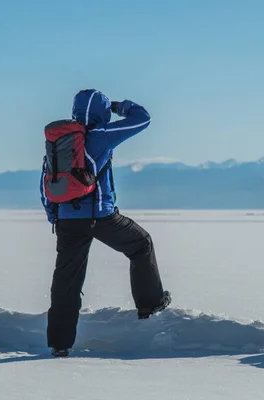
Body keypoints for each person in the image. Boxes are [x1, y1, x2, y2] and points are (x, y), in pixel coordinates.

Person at [39, 89, 171, 357]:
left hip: (66, 219)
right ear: (100, 111)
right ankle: (150, 305)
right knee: (140, 244)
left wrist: (56, 216)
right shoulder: (99, 136)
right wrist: (118, 106)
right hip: (99, 216)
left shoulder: (61, 141)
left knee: (67, 280)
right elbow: (142, 119)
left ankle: (59, 344)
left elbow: (45, 184)